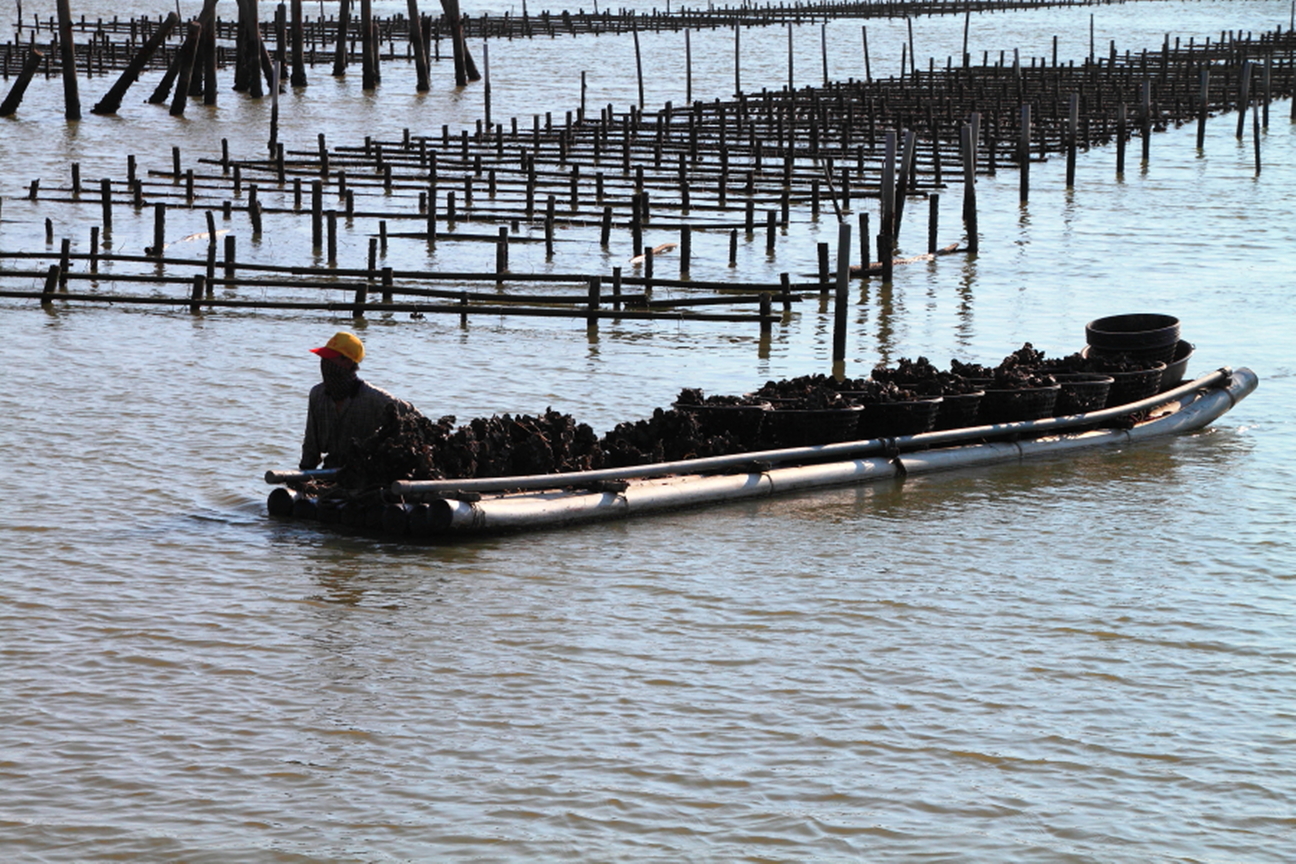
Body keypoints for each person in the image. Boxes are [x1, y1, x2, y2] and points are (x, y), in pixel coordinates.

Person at [299, 331, 418, 471]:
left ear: (348, 362)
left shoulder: (374, 397)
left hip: (365, 472)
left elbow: (414, 417)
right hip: (330, 469)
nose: (325, 363)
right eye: (323, 358)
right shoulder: (317, 395)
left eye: (330, 358)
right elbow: (311, 446)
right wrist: (303, 475)